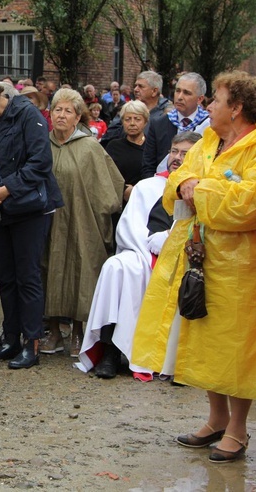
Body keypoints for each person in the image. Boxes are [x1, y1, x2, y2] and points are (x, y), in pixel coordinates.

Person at [132, 72, 256, 463]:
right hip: (200, 256)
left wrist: (200, 188)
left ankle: (238, 430)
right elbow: (178, 176)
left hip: (243, 264)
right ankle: (216, 418)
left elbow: (250, 201)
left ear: (236, 108)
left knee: (236, 345)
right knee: (203, 337)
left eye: (216, 100)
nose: (208, 107)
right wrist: (190, 183)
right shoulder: (209, 138)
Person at [79, 132, 200, 379]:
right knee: (117, 266)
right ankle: (110, 352)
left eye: (185, 154)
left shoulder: (204, 189)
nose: (177, 158)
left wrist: (171, 241)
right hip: (145, 254)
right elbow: (129, 228)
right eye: (174, 151)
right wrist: (150, 251)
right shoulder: (147, 186)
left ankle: (180, 360)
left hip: (186, 259)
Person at [0, 79, 63, 369]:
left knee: (27, 277)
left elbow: (40, 163)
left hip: (29, 209)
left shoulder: (27, 115)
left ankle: (31, 343)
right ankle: (10, 339)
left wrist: (6, 190)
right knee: (5, 278)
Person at [42, 88, 124, 357]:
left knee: (80, 273)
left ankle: (78, 332)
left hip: (82, 221)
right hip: (48, 222)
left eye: (68, 111)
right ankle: (53, 332)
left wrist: (101, 218)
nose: (62, 115)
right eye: (57, 109)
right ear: (50, 113)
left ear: (78, 117)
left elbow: (109, 186)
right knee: (48, 270)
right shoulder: (42, 144)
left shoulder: (90, 147)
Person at [141, 72, 210, 179]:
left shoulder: (209, 126)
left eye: (187, 93)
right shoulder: (159, 124)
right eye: (178, 91)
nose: (180, 97)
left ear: (200, 99)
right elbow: (148, 165)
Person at [105, 101, 150, 202]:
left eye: (137, 119)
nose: (132, 123)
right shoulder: (114, 146)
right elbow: (106, 175)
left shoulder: (151, 147)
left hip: (146, 200)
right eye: (128, 119)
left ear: (145, 122)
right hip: (119, 201)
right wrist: (124, 189)